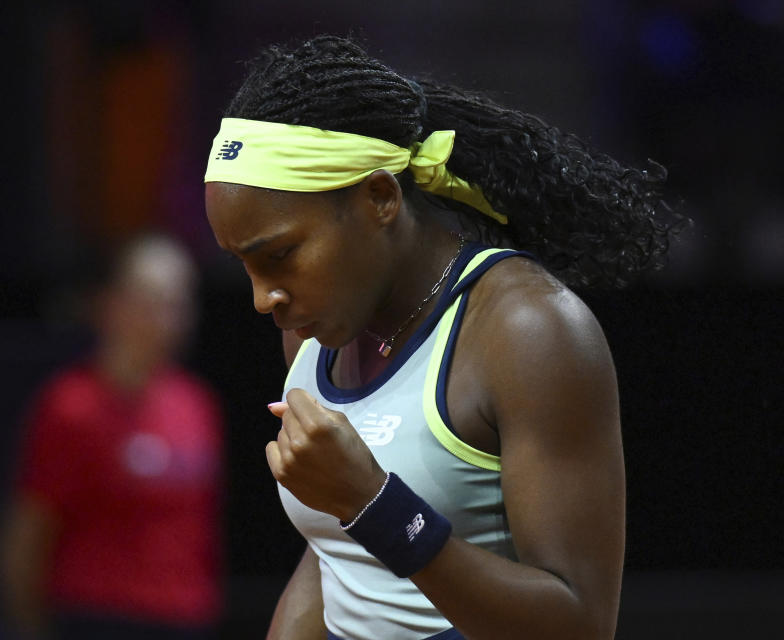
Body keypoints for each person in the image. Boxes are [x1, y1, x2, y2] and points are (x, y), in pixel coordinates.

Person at [203, 36, 682, 640]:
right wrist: (355, 512)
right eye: (244, 266)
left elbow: (579, 625)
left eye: (279, 256)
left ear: (379, 197)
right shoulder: (311, 332)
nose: (262, 297)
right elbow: (335, 562)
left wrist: (373, 505)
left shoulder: (528, 330)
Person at [0, 235, 225, 640]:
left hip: (185, 619)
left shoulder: (196, 404)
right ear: (112, 304)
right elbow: (26, 538)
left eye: (179, 303)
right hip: (100, 616)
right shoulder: (71, 407)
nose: (167, 318)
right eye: (151, 300)